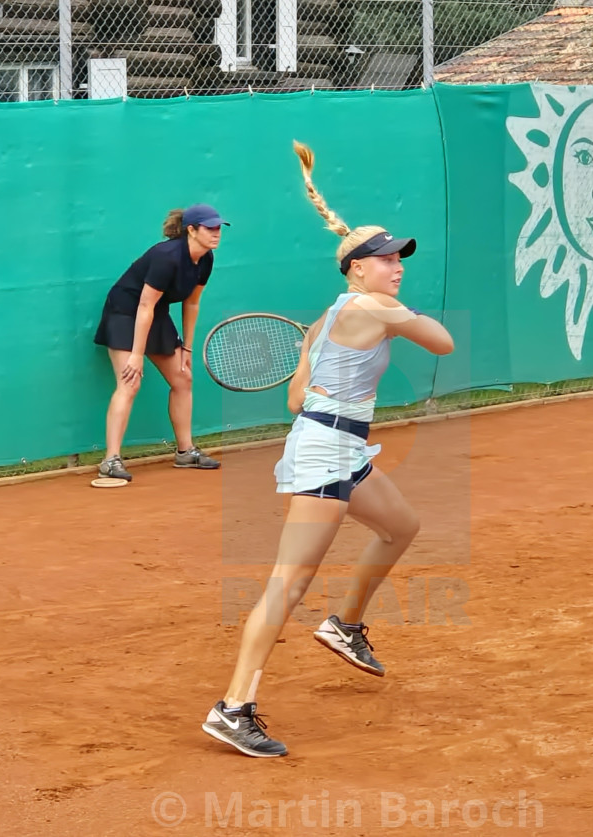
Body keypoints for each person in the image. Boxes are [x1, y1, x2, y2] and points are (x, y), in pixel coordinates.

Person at [201, 141, 455, 758]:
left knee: (401, 525)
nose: (397, 266)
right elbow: (443, 342)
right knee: (285, 587)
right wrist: (398, 313)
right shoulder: (374, 305)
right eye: (385, 258)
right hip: (324, 454)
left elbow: (293, 400)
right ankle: (234, 707)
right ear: (356, 268)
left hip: (336, 443)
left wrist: (317, 368)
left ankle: (346, 624)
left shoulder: (329, 316)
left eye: (399, 258)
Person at [93, 203, 228, 480]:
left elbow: (191, 303)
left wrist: (187, 348)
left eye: (218, 228)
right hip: (125, 312)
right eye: (209, 228)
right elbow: (143, 306)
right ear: (191, 230)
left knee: (183, 379)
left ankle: (185, 452)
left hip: (155, 314)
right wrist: (135, 355)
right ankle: (111, 460)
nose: (216, 233)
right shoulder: (166, 257)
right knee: (130, 382)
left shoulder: (206, 259)